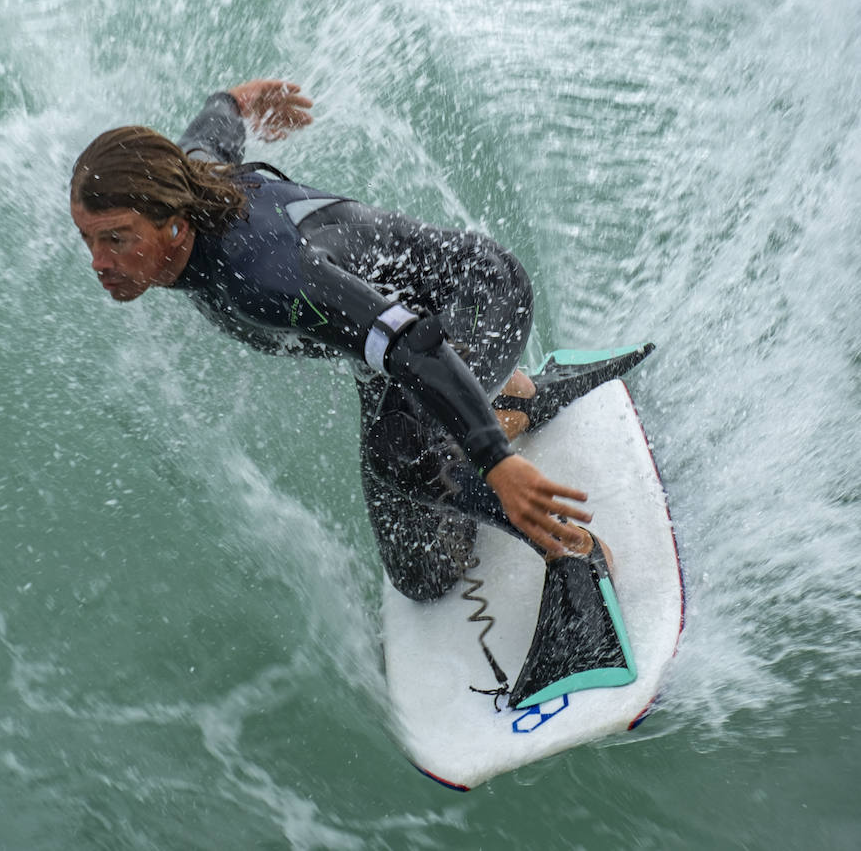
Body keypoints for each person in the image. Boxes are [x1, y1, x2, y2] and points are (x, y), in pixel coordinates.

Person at [69, 79, 640, 603]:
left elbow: (414, 345)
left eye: (117, 238)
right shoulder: (193, 175)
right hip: (396, 346)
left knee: (404, 456)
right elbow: (215, 123)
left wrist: (494, 461)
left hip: (476, 301)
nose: (99, 262)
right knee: (424, 573)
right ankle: (509, 400)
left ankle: (571, 548)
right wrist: (240, 101)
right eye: (90, 239)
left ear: (172, 221)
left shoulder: (268, 275)